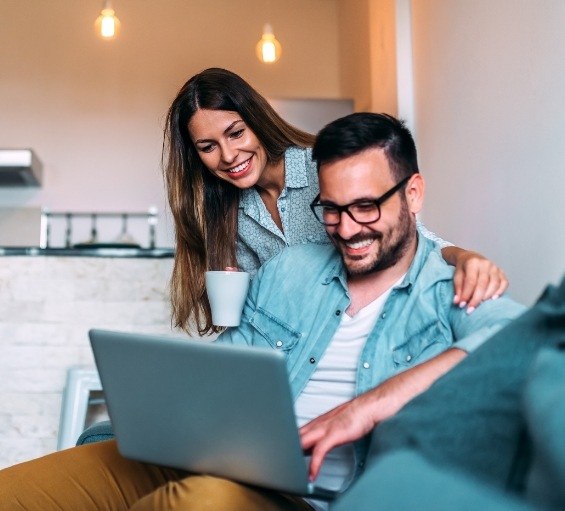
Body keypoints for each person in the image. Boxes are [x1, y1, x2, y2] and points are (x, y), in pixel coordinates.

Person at [0, 113, 524, 511]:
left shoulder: (451, 283)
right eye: (332, 210)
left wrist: (366, 407)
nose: (347, 229)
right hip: (219, 457)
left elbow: (520, 340)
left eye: (366, 206)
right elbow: (230, 369)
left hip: (304, 497)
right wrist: (159, 413)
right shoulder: (290, 270)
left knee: (201, 501)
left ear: (413, 194)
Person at [162, 67, 508, 336]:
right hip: (305, 348)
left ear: (257, 121)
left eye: (236, 133)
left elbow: (408, 238)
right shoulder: (229, 213)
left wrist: (465, 257)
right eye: (208, 147)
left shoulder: (322, 169)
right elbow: (255, 313)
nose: (228, 155)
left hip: (370, 326)